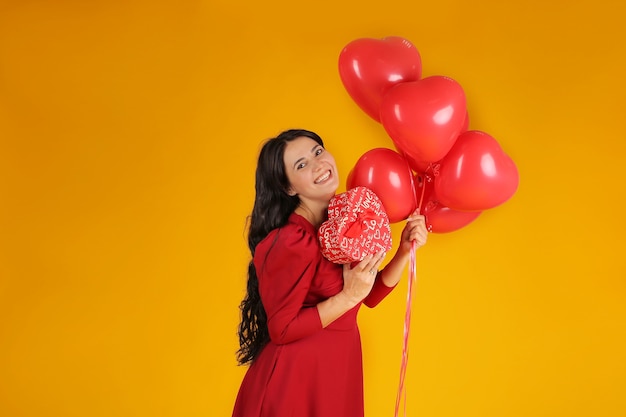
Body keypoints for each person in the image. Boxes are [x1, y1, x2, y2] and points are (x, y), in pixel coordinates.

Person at [232, 129, 428, 417]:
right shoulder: (291, 240)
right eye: (301, 165)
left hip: (338, 370)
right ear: (288, 188)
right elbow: (282, 329)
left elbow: (368, 296)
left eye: (317, 152)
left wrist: (403, 249)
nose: (318, 164)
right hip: (295, 380)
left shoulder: (343, 224)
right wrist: (348, 296)